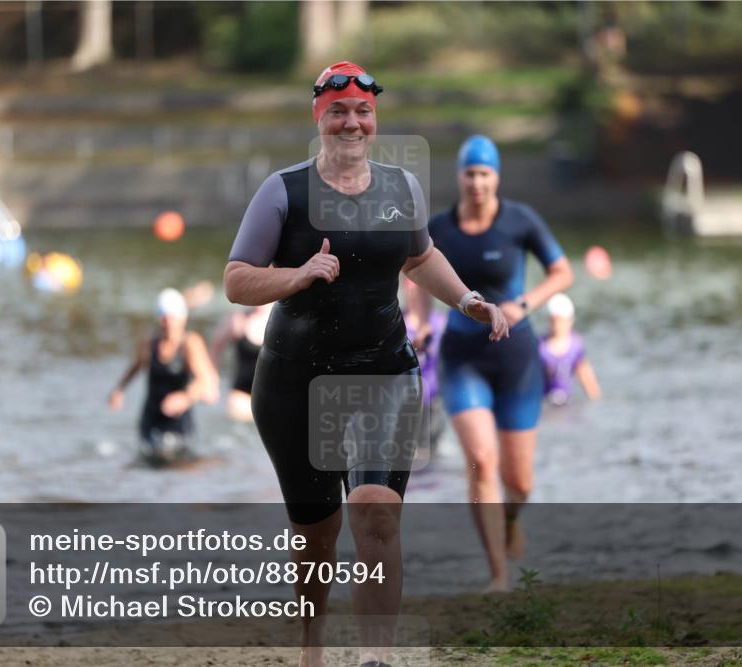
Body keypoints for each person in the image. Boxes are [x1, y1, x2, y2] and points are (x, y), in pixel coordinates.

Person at [224, 62, 507, 667]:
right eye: (338, 112)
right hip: (295, 381)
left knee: (376, 512)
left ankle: (375, 657)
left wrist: (468, 300)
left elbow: (419, 258)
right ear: (318, 118)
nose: (352, 123)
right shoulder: (284, 191)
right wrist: (298, 275)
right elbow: (236, 280)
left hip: (384, 372)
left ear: (374, 119)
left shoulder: (401, 188)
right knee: (317, 533)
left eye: (363, 112)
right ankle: (313, 645)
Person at [422, 135, 574, 592]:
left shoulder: (519, 220)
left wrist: (524, 305)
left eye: (484, 173)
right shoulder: (439, 228)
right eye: (469, 173)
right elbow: (415, 272)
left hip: (516, 360)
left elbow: (563, 272)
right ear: (459, 176)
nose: (477, 182)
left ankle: (510, 519)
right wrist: (419, 321)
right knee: (481, 461)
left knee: (519, 482)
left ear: (497, 177)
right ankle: (499, 575)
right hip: (462, 357)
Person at [108, 288, 219, 466]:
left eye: (171, 317)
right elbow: (135, 366)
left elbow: (203, 380)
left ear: (182, 318)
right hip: (150, 417)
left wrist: (185, 398)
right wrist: (119, 389)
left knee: (180, 465)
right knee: (147, 463)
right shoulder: (149, 343)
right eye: (163, 317)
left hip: (178, 421)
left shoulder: (189, 344)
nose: (167, 323)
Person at [401, 278, 448, 465]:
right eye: (410, 285)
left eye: (419, 286)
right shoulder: (396, 321)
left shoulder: (441, 323)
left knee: (430, 458)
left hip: (433, 402)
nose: (414, 292)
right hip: (404, 404)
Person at [210, 303, 273, 422]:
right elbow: (215, 349)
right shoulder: (237, 320)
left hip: (272, 396)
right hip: (241, 395)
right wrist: (212, 382)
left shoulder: (282, 321)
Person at [539, 293, 602, 405]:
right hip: (546, 402)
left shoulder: (575, 346)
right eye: (554, 321)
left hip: (567, 402)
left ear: (570, 321)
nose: (557, 325)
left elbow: (586, 376)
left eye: (561, 320)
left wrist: (596, 401)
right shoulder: (540, 347)